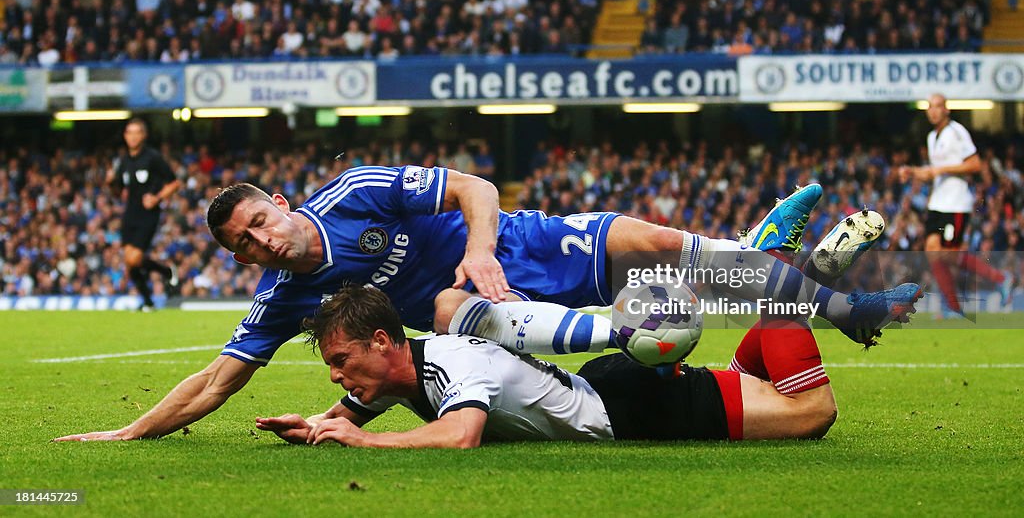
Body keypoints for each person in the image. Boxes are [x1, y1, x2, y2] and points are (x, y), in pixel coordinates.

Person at [54, 169, 918, 442]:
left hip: (511, 252)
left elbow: (475, 184)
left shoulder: (353, 191)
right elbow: (219, 380)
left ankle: (833, 298)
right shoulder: (287, 294)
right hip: (482, 311)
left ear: (277, 202)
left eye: (256, 223)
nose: (258, 244)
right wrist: (131, 432)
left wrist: (477, 246)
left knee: (657, 246)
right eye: (240, 244)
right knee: (452, 309)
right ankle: (770, 259)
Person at [253, 285, 847, 448]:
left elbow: (460, 436)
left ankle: (794, 280)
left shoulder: (453, 367)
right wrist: (312, 426)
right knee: (763, 376)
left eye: (340, 360)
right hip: (609, 387)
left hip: (636, 409)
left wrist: (364, 444)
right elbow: (347, 410)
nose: (336, 374)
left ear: (382, 342)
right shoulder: (396, 371)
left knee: (812, 412)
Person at [899, 94, 1011, 314]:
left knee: (947, 255)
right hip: (938, 203)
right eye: (930, 107)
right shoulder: (932, 137)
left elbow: (975, 164)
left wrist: (942, 169)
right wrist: (912, 172)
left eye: (937, 106)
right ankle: (954, 307)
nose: (933, 111)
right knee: (933, 252)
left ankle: (1000, 279)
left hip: (955, 204)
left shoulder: (957, 132)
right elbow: (934, 173)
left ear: (946, 110)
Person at [107, 118, 181, 310]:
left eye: (136, 132)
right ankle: (148, 302)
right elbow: (117, 192)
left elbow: (174, 183)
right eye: (129, 132)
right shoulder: (123, 161)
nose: (132, 137)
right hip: (130, 213)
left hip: (148, 214)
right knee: (129, 262)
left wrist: (156, 198)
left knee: (133, 258)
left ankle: (166, 271)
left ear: (143, 135)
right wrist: (110, 183)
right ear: (125, 136)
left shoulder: (152, 157)